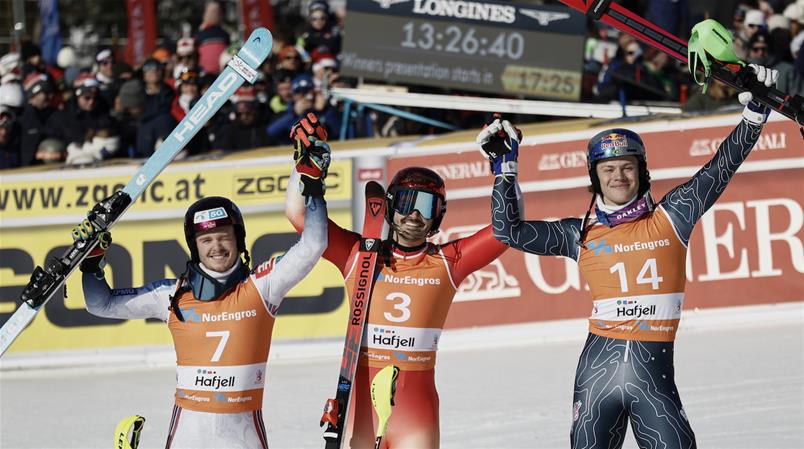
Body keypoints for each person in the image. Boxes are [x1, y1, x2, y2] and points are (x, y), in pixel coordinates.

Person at [483, 64, 779, 449]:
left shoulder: (673, 215)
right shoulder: (579, 233)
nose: (619, 176)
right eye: (608, 169)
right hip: (596, 380)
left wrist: (754, 116)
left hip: (653, 381)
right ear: (595, 177)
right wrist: (505, 171)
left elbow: (719, 170)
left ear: (642, 172)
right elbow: (509, 232)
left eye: (627, 167)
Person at [78, 141, 331, 447]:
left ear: (238, 240)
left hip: (242, 436)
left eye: (223, 237)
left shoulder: (262, 286)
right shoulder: (171, 295)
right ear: (194, 246)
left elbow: (314, 244)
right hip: (188, 434)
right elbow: (100, 304)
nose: (216, 247)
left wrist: (313, 186)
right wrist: (91, 264)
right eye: (206, 239)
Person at [285, 116, 508, 448]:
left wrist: (506, 170)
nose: (414, 215)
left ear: (438, 217)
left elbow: (505, 233)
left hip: (415, 418)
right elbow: (299, 216)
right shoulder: (356, 254)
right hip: (359, 415)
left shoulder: (449, 261)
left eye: (426, 206)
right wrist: (303, 167)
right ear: (390, 208)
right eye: (406, 202)